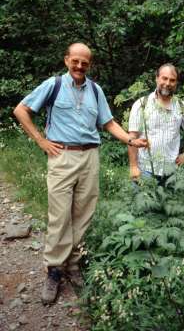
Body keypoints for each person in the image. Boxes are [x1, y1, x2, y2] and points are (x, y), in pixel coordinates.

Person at [13, 42, 147, 304]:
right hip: (62, 156)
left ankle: (73, 264)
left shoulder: (96, 90)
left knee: (83, 212)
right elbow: (21, 110)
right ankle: (53, 270)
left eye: (84, 62)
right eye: (75, 61)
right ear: (66, 60)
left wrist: (130, 141)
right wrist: (41, 141)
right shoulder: (53, 85)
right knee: (59, 214)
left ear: (89, 64)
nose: (79, 66)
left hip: (90, 157)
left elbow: (108, 123)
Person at [128, 63, 184, 184]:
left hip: (172, 171)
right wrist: (133, 166)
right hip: (145, 170)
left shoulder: (181, 106)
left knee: (171, 203)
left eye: (172, 80)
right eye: (164, 78)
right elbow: (132, 138)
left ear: (176, 83)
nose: (167, 83)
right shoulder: (141, 104)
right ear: (156, 78)